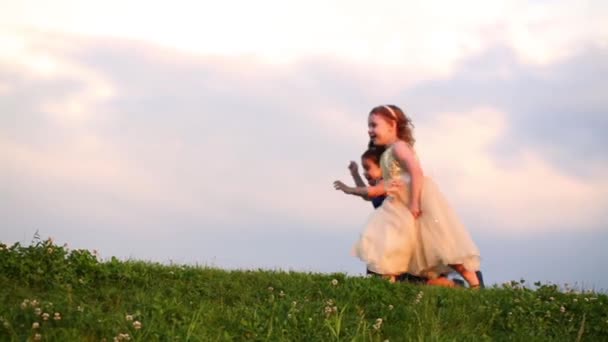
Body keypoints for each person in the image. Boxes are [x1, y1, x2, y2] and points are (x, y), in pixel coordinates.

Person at [342, 105, 482, 287]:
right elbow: (384, 186)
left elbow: (416, 171)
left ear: (392, 125)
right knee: (389, 244)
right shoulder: (387, 153)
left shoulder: (399, 147)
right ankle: (387, 284)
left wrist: (415, 202)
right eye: (369, 126)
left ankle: (475, 285)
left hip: (414, 203)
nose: (370, 130)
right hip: (398, 206)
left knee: (441, 246)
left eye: (374, 125)